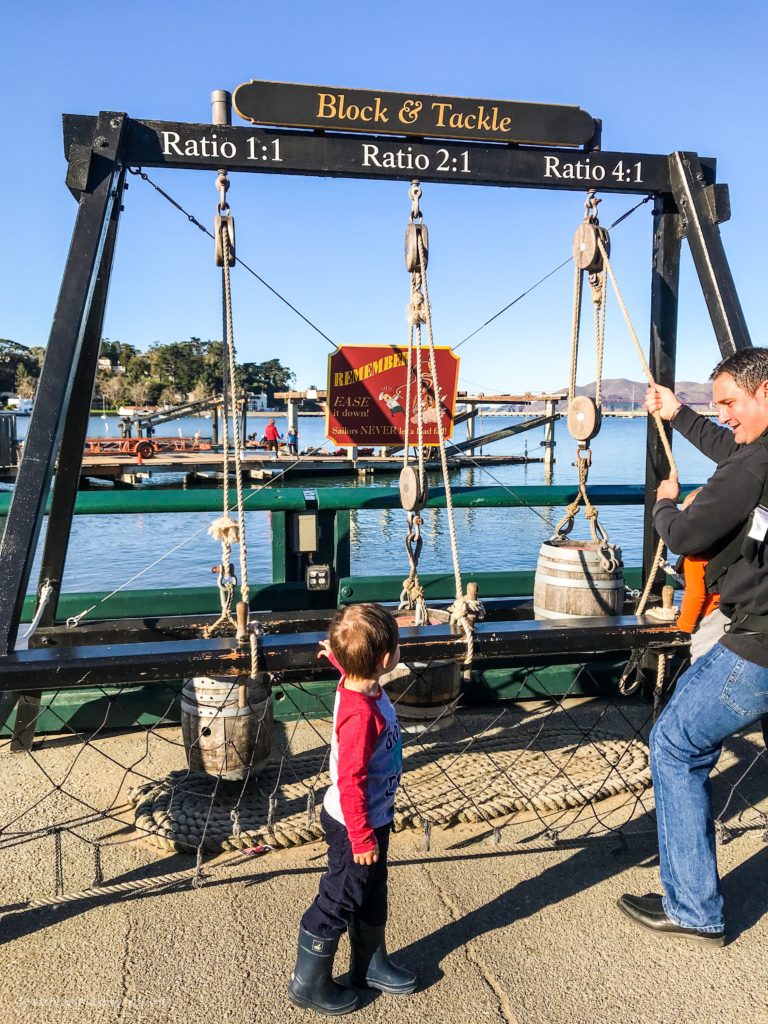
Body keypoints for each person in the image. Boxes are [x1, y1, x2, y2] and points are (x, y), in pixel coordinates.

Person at [618, 347, 768, 947]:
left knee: (675, 745)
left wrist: (663, 502)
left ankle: (693, 908)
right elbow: (736, 453)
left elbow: (683, 534)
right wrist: (679, 413)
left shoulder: (751, 470)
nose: (724, 414)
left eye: (731, 402)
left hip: (758, 641)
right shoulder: (756, 457)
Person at [288, 604, 416, 1015]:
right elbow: (351, 779)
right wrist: (361, 836)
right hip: (353, 824)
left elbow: (349, 675)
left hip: (374, 818)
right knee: (340, 897)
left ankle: (368, 965)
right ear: (385, 660)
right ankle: (309, 983)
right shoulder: (361, 716)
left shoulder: (357, 685)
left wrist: (337, 661)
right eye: (396, 646)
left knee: (372, 891)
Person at [674, 487, 725, 663]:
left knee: (701, 656)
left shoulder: (695, 556)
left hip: (712, 616)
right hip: (732, 611)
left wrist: (684, 624)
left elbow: (696, 593)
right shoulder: (726, 544)